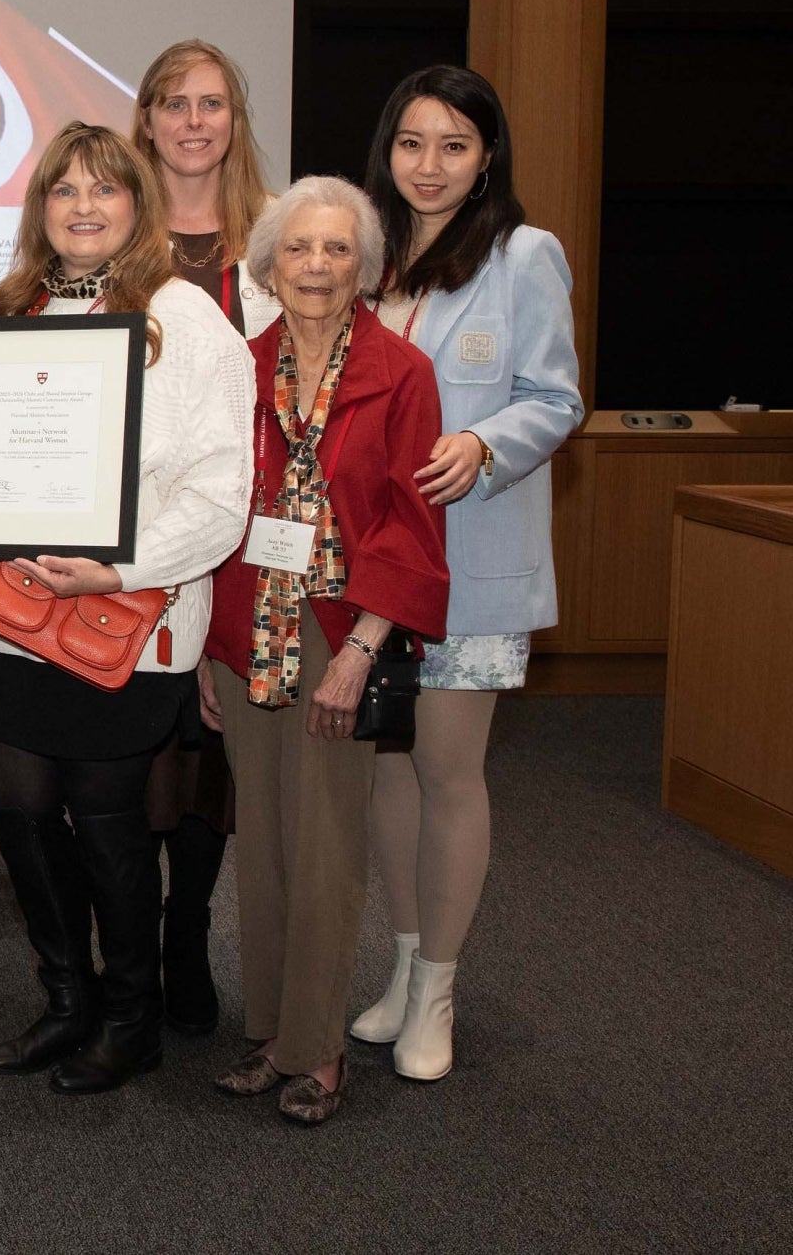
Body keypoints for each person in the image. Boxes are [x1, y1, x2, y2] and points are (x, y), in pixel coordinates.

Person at [0, 123, 254, 1095]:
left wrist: (114, 570)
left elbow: (218, 493)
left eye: (102, 189)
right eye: (61, 189)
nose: (80, 205)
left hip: (118, 617)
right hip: (5, 619)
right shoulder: (9, 307)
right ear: (39, 209)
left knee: (108, 828)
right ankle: (63, 999)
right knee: (18, 810)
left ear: (135, 203)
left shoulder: (183, 319)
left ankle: (129, 1015)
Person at [349, 67, 581, 1082]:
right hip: (370, 561)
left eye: (451, 145)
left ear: (485, 154)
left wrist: (483, 444)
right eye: (410, 143)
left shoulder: (522, 255)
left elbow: (554, 395)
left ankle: (439, 983)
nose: (428, 165)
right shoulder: (365, 254)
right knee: (385, 770)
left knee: (447, 772)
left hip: (470, 557)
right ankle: (400, 965)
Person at [205, 174, 449, 1125]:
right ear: (269, 262)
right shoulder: (242, 365)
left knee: (326, 844)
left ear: (366, 266)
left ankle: (318, 1049)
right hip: (245, 626)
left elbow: (410, 524)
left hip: (339, 628)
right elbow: (214, 508)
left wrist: (362, 651)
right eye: (299, 249)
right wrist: (201, 649)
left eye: (336, 249)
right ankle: (269, 1032)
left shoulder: (403, 373)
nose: (315, 265)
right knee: (259, 838)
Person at [127, 37, 278, 1035]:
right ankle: (134, 942)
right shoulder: (110, 240)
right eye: (173, 103)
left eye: (210, 103)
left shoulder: (276, 245)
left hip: (249, 535)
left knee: (210, 748)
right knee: (139, 747)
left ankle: (187, 933)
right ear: (143, 120)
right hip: (143, 534)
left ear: (233, 119)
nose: (192, 120)